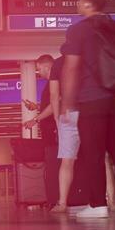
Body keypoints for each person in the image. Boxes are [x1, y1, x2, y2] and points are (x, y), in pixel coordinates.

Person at [60, 0, 115, 219]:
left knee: (93, 150)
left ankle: (98, 204)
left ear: (89, 4)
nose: (77, 3)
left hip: (92, 98)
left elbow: (71, 67)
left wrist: (68, 102)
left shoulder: (78, 30)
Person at [24, 53, 76, 213]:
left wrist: (37, 119)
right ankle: (59, 200)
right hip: (58, 126)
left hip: (61, 125)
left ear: (47, 66)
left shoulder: (57, 80)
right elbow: (51, 104)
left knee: (62, 163)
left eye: (39, 69)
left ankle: (60, 201)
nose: (39, 73)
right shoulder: (53, 82)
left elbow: (56, 101)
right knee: (62, 163)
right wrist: (36, 108)